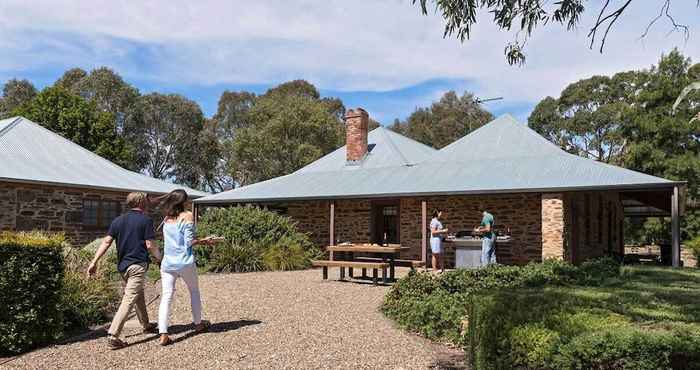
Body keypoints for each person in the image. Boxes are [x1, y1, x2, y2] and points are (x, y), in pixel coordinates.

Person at [87, 192, 161, 350]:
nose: (148, 203)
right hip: (137, 266)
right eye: (146, 200)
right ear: (141, 202)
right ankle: (113, 335)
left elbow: (106, 242)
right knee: (129, 298)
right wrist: (160, 258)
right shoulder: (146, 220)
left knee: (137, 294)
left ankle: (146, 324)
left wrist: (94, 262)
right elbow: (150, 245)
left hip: (123, 267)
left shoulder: (118, 220)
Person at [153, 189, 215, 346]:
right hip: (184, 261)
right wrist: (205, 241)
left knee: (166, 296)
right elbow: (189, 242)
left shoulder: (166, 218)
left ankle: (163, 333)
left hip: (167, 263)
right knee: (194, 291)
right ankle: (198, 324)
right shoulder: (187, 216)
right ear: (183, 201)